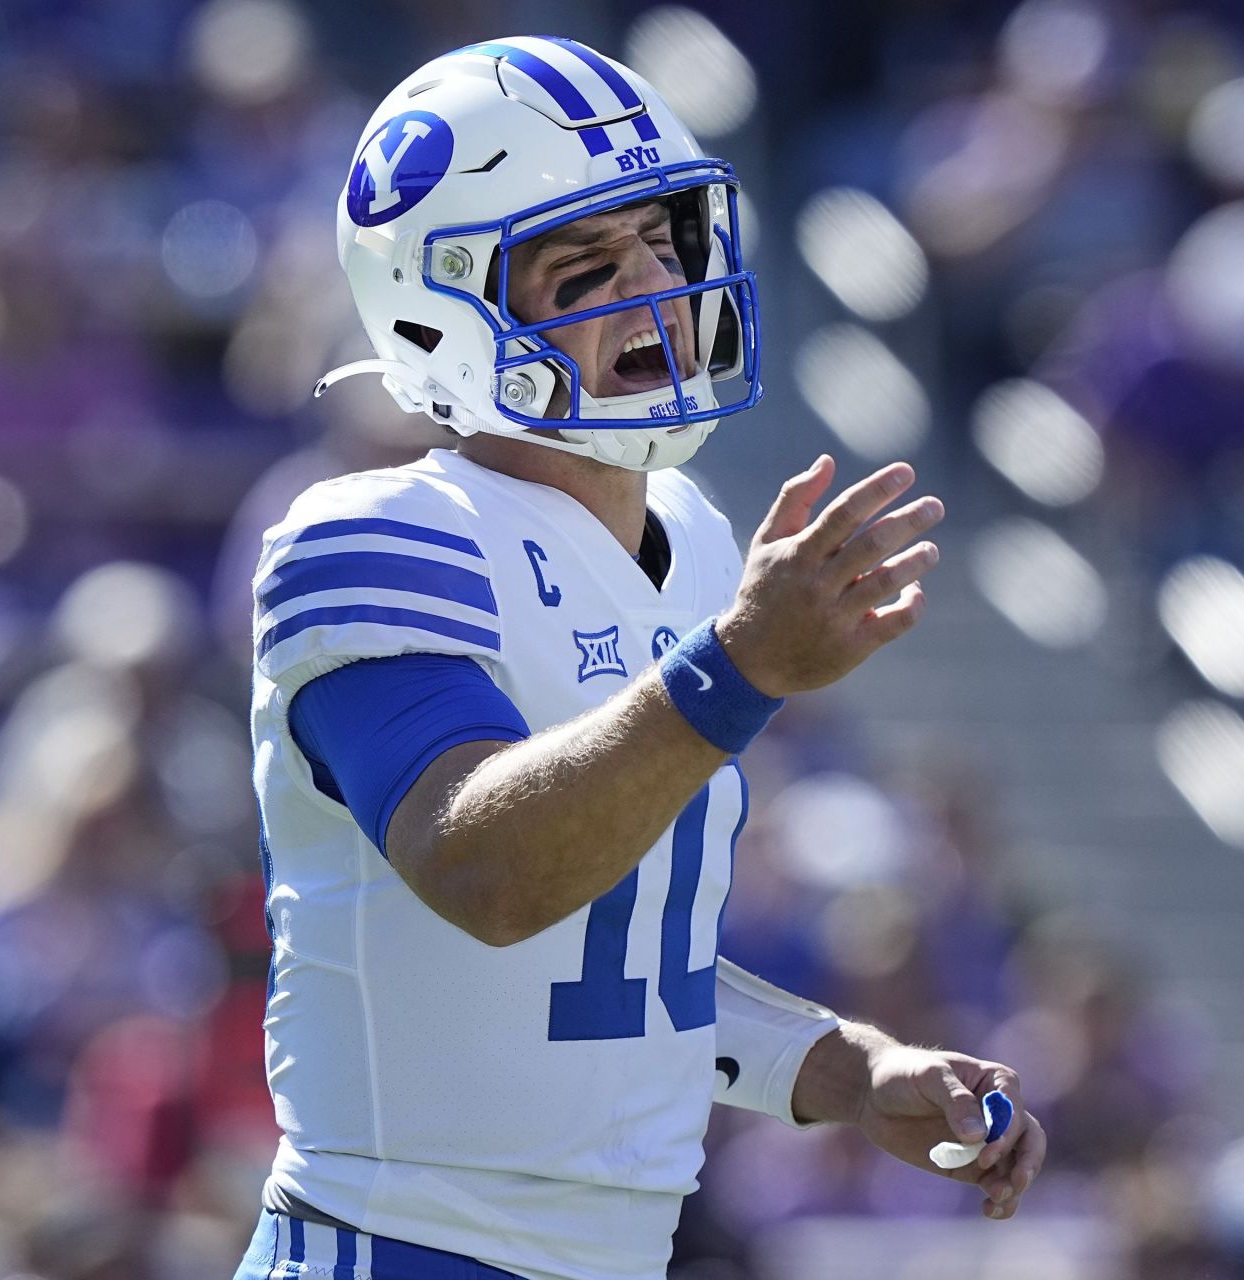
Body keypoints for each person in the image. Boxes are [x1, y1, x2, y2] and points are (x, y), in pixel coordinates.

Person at [236, 36, 1047, 1280]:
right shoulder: (373, 534)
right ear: (439, 303)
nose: (655, 291)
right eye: (586, 266)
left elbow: (611, 959)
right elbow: (488, 873)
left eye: (663, 244)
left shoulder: (702, 544)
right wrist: (735, 669)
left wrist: (846, 1066)